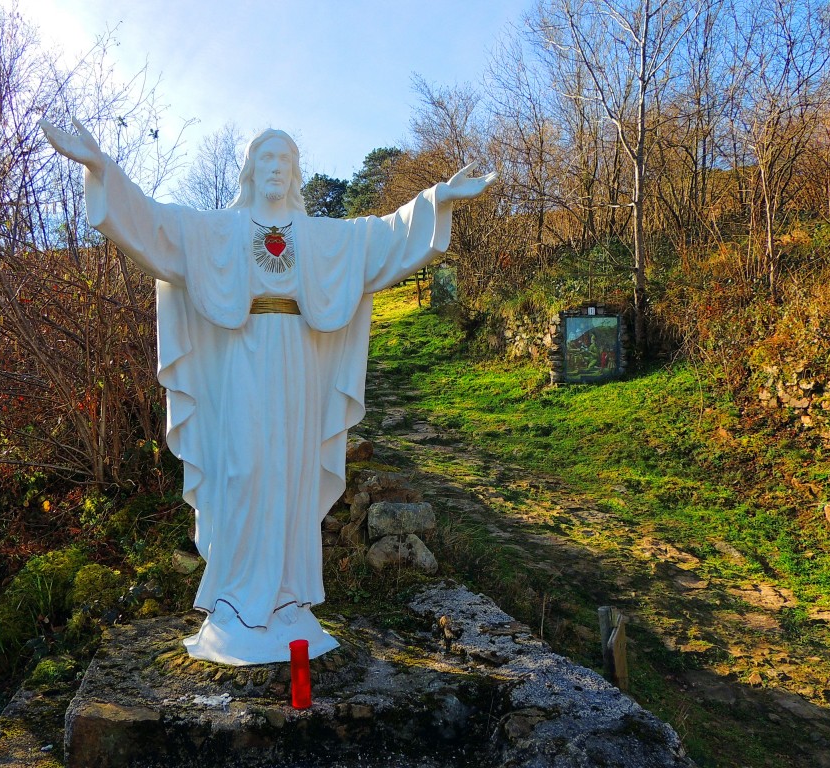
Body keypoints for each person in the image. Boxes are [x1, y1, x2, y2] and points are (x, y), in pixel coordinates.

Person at [40, 119, 496, 665]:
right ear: (251, 170)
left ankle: (286, 600)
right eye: (267, 159)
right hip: (241, 361)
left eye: (285, 160)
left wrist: (438, 197)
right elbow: (155, 226)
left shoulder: (319, 236)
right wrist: (101, 167)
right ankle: (235, 601)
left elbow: (382, 237)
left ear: (295, 173)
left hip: (298, 363)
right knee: (243, 468)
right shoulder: (219, 230)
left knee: (291, 471)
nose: (276, 168)